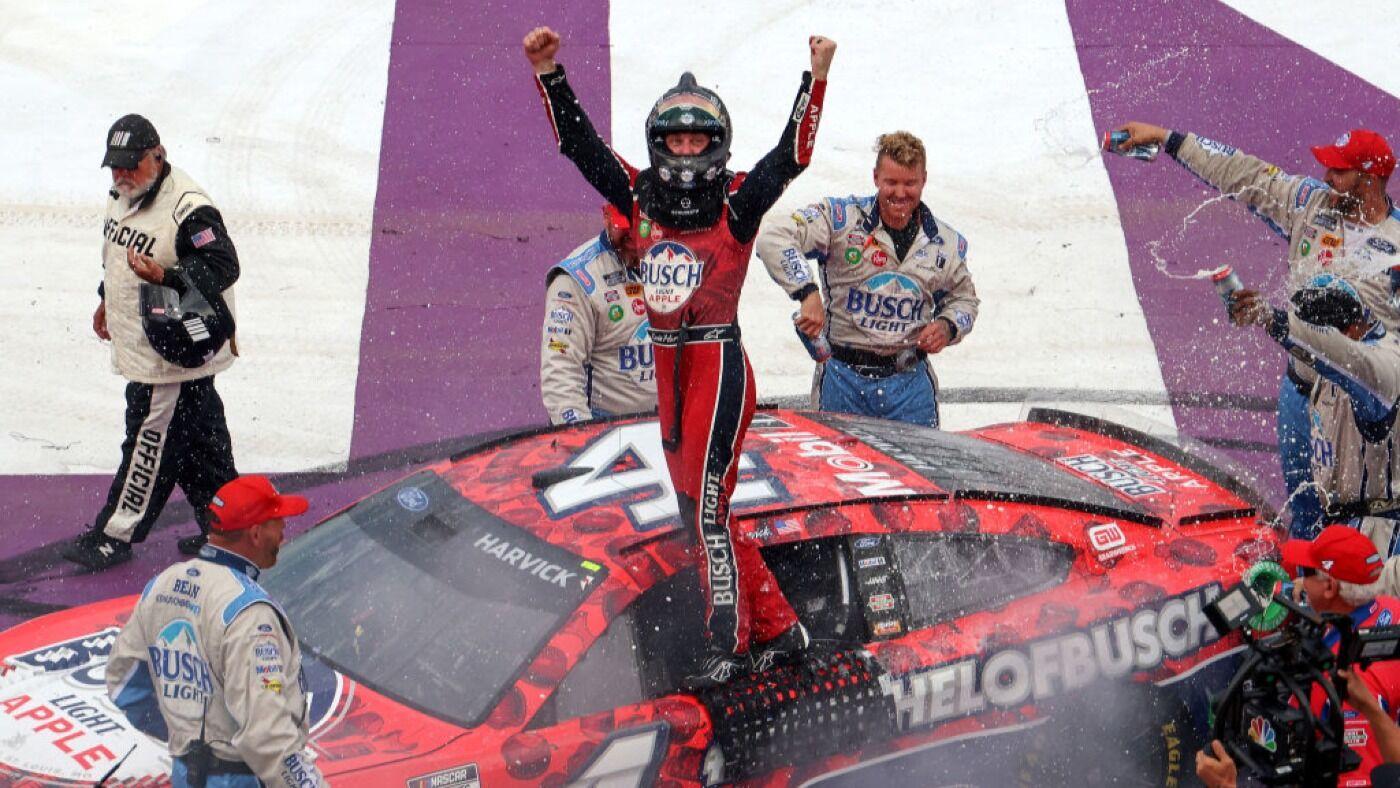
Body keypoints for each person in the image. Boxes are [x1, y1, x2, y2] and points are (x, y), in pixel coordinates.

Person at [523, 25, 835, 686]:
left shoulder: (738, 200)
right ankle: (782, 627)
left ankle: (729, 646)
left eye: (697, 139)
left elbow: (793, 157)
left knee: (704, 513)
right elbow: (577, 144)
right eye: (676, 140)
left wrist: (816, 76)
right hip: (669, 366)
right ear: (657, 145)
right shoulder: (635, 193)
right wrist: (550, 71)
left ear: (716, 144)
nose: (687, 151)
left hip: (718, 366)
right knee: (701, 510)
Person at [1110, 121, 1400, 540]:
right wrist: (1168, 140)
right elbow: (1246, 173)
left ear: (1369, 180)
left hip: (1354, 409)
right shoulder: (1310, 204)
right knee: (1303, 518)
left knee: (1354, 520)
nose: (1326, 178)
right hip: (1299, 392)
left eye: (1339, 171)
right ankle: (1304, 591)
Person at [63, 113, 241, 571]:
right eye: (114, 166)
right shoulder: (124, 195)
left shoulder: (189, 207)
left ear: (157, 156)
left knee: (147, 441)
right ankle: (230, 530)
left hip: (175, 354)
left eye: (130, 164)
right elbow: (116, 253)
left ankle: (114, 534)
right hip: (153, 347)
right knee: (203, 446)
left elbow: (224, 265)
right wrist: (106, 300)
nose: (121, 175)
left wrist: (167, 275)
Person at [106, 474, 326, 787]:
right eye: (278, 523)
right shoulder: (250, 615)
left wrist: (186, 736)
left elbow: (123, 682)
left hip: (187, 774)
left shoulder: (164, 583)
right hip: (242, 779)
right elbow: (267, 736)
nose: (284, 532)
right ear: (255, 533)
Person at [756, 130, 977, 426]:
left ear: (924, 180)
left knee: (916, 472)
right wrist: (806, 292)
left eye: (909, 183)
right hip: (842, 379)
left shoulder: (945, 242)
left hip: (910, 383)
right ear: (875, 178)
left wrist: (948, 326)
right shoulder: (840, 219)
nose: (900, 193)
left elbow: (965, 300)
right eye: (891, 182)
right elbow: (772, 236)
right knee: (836, 471)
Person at [1231, 276, 1400, 581]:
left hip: (1379, 540)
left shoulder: (1382, 367)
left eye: (1316, 337)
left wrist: (1273, 319)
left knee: (1356, 623)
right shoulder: (1330, 356)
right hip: (1340, 529)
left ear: (1349, 332)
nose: (1307, 353)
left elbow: (1337, 355)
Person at [541, 204, 655, 424]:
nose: (633, 235)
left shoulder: (679, 261)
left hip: (674, 430)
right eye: (625, 226)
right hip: (607, 430)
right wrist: (581, 440)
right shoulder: (576, 279)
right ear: (606, 217)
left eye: (642, 227)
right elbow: (560, 371)